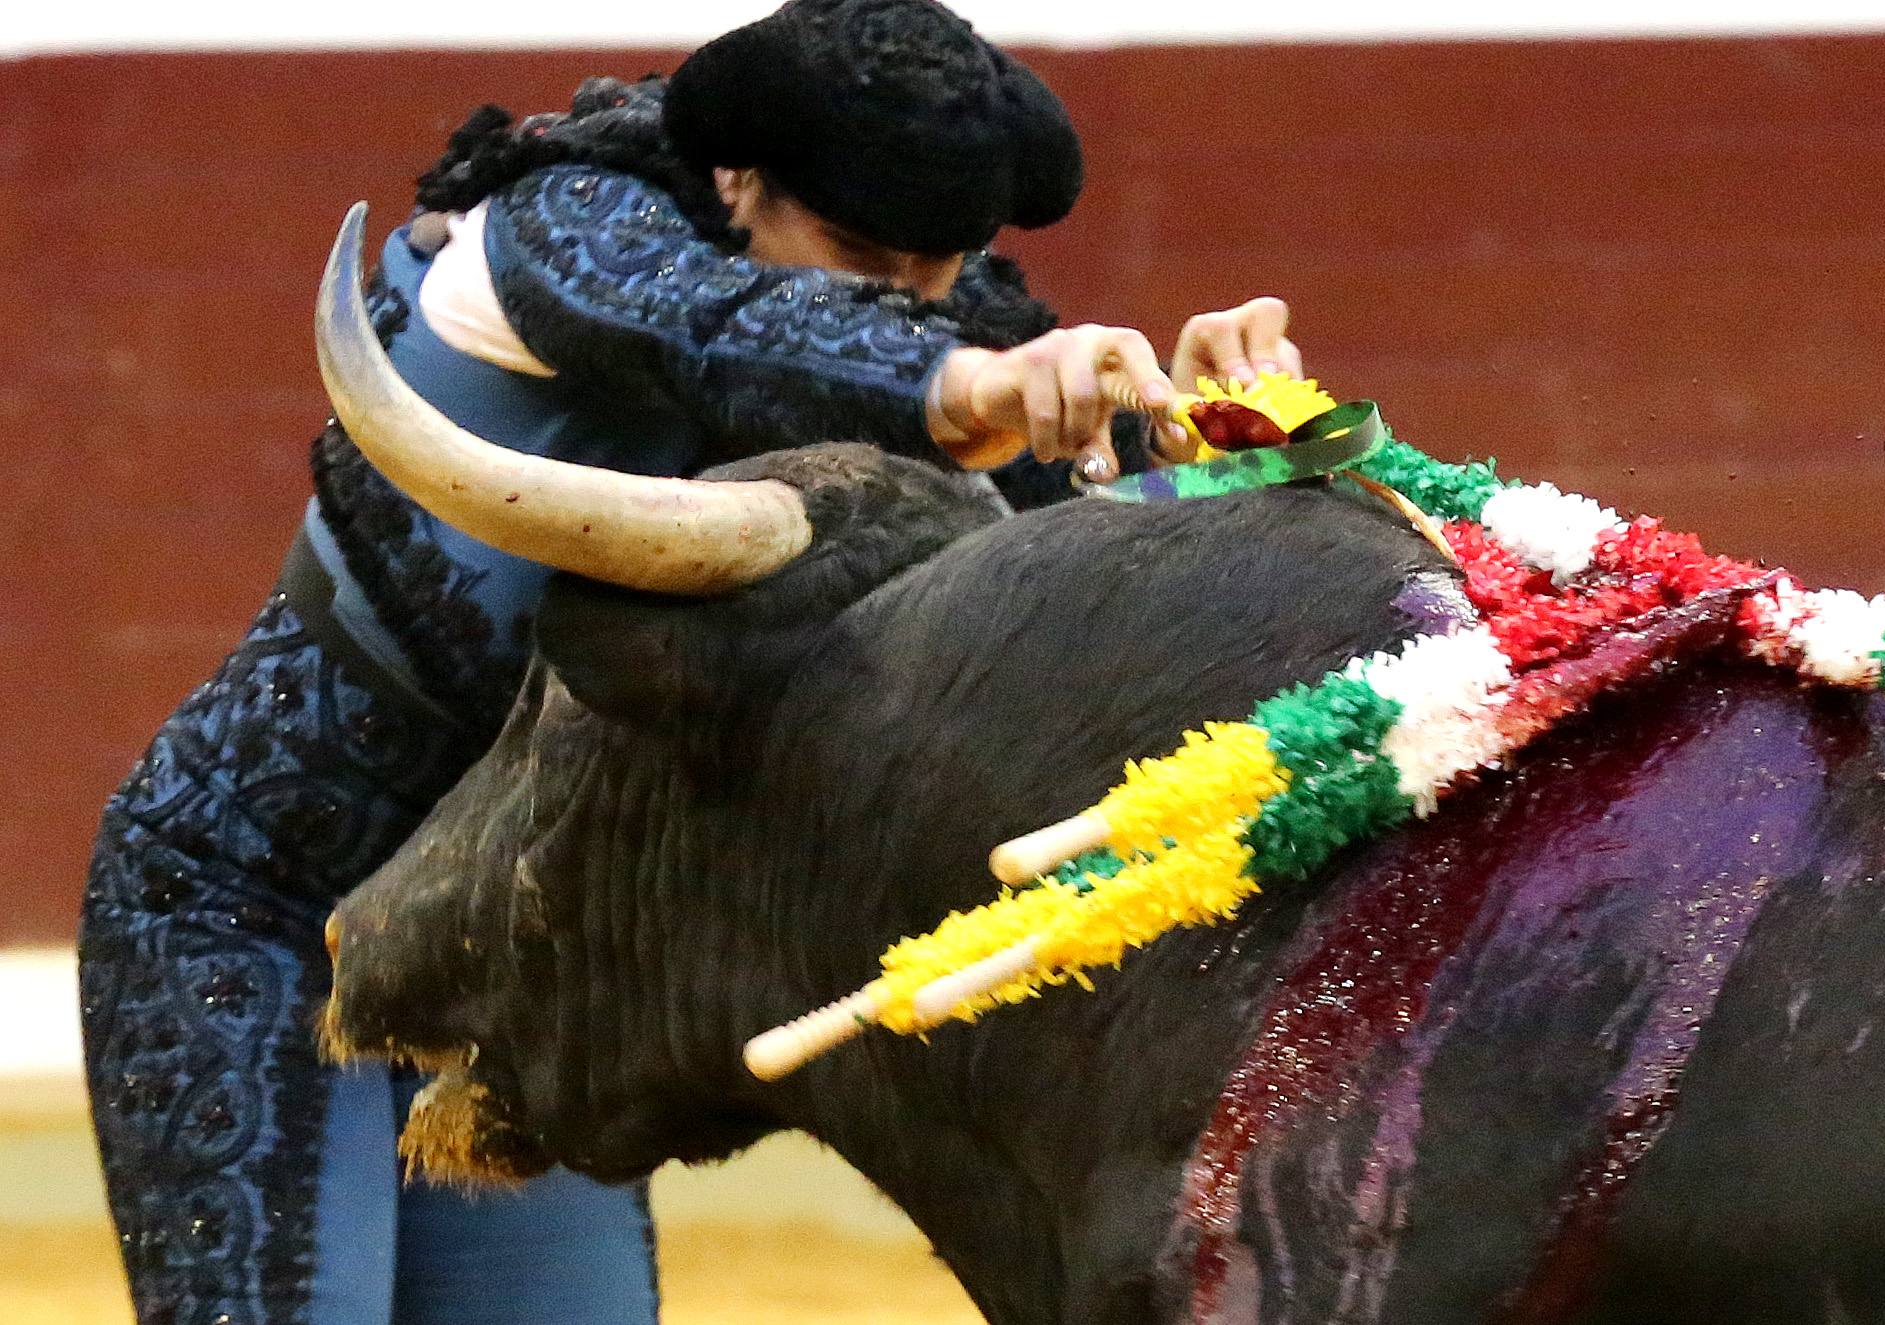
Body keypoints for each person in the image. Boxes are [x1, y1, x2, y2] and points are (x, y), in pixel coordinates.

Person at [76, 3, 1304, 1322]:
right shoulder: (565, 231)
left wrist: (1213, 441)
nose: (898, 296)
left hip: (519, 963)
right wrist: (961, 387)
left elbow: (1090, 569)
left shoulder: (960, 335)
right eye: (852, 250)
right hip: (260, 918)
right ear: (736, 181)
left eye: (937, 267)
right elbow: (704, 323)